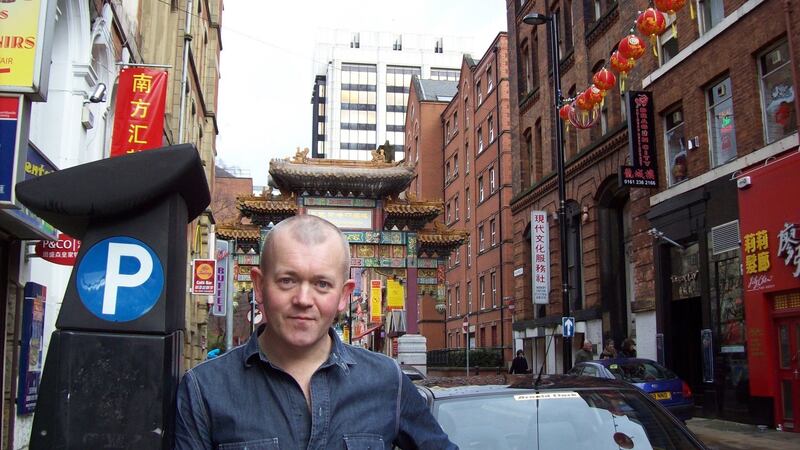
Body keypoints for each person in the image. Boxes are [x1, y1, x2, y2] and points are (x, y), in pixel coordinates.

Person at [175, 215, 456, 449]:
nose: (303, 299)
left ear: (344, 295)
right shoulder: (205, 389)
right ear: (259, 286)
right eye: (287, 280)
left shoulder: (387, 381)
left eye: (322, 284)